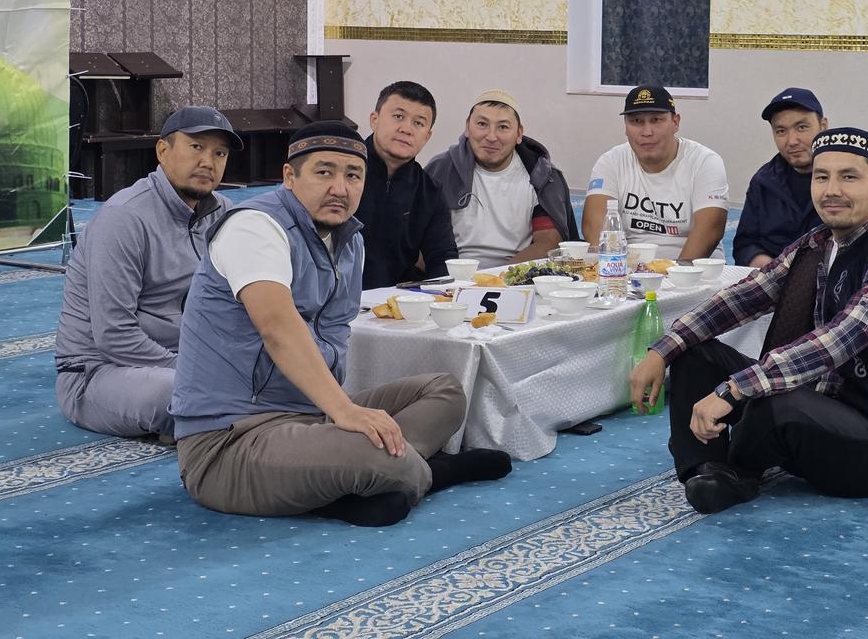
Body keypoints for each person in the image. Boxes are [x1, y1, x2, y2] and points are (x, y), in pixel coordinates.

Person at [170, 122, 510, 527]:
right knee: (376, 455)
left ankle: (366, 477)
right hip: (231, 441)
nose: (340, 188)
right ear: (289, 176)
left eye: (353, 176)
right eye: (324, 172)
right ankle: (424, 472)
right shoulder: (255, 226)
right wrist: (345, 410)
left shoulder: (350, 241)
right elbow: (278, 329)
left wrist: (339, 416)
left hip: (312, 421)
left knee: (445, 391)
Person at [630, 127, 868, 515]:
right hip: (825, 402)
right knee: (695, 354)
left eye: (849, 177)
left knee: (775, 399)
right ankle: (708, 469)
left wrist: (733, 390)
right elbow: (743, 297)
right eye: (822, 177)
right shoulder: (819, 242)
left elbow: (835, 343)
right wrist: (663, 350)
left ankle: (740, 471)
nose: (832, 190)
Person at [55, 106, 241, 440]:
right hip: (100, 372)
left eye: (219, 153)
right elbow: (114, 335)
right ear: (163, 150)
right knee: (179, 393)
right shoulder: (124, 218)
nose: (208, 162)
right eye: (196, 147)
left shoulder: (223, 213)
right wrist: (200, 371)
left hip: (189, 359)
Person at [733, 87, 868, 267]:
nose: (792, 141)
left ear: (823, 126)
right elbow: (745, 244)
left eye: (802, 127)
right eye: (781, 131)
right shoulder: (763, 181)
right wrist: (770, 268)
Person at [425, 90, 578, 268]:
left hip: (516, 273)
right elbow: (420, 240)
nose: (491, 137)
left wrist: (499, 276)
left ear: (518, 134)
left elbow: (548, 242)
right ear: (467, 127)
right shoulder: (440, 170)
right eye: (482, 124)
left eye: (503, 127)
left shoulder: (541, 176)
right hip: (451, 272)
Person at [583, 85, 729, 260]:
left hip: (694, 269)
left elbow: (710, 230)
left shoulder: (705, 162)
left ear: (675, 122)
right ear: (625, 127)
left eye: (656, 120)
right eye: (636, 121)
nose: (647, 132)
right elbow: (594, 227)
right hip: (627, 267)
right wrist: (617, 270)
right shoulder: (611, 161)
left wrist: (676, 273)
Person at [355, 81, 458, 288]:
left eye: (418, 123)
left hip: (398, 300)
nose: (406, 129)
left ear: (427, 136)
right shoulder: (342, 174)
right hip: (335, 298)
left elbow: (443, 259)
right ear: (374, 120)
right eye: (398, 117)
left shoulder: (430, 191)